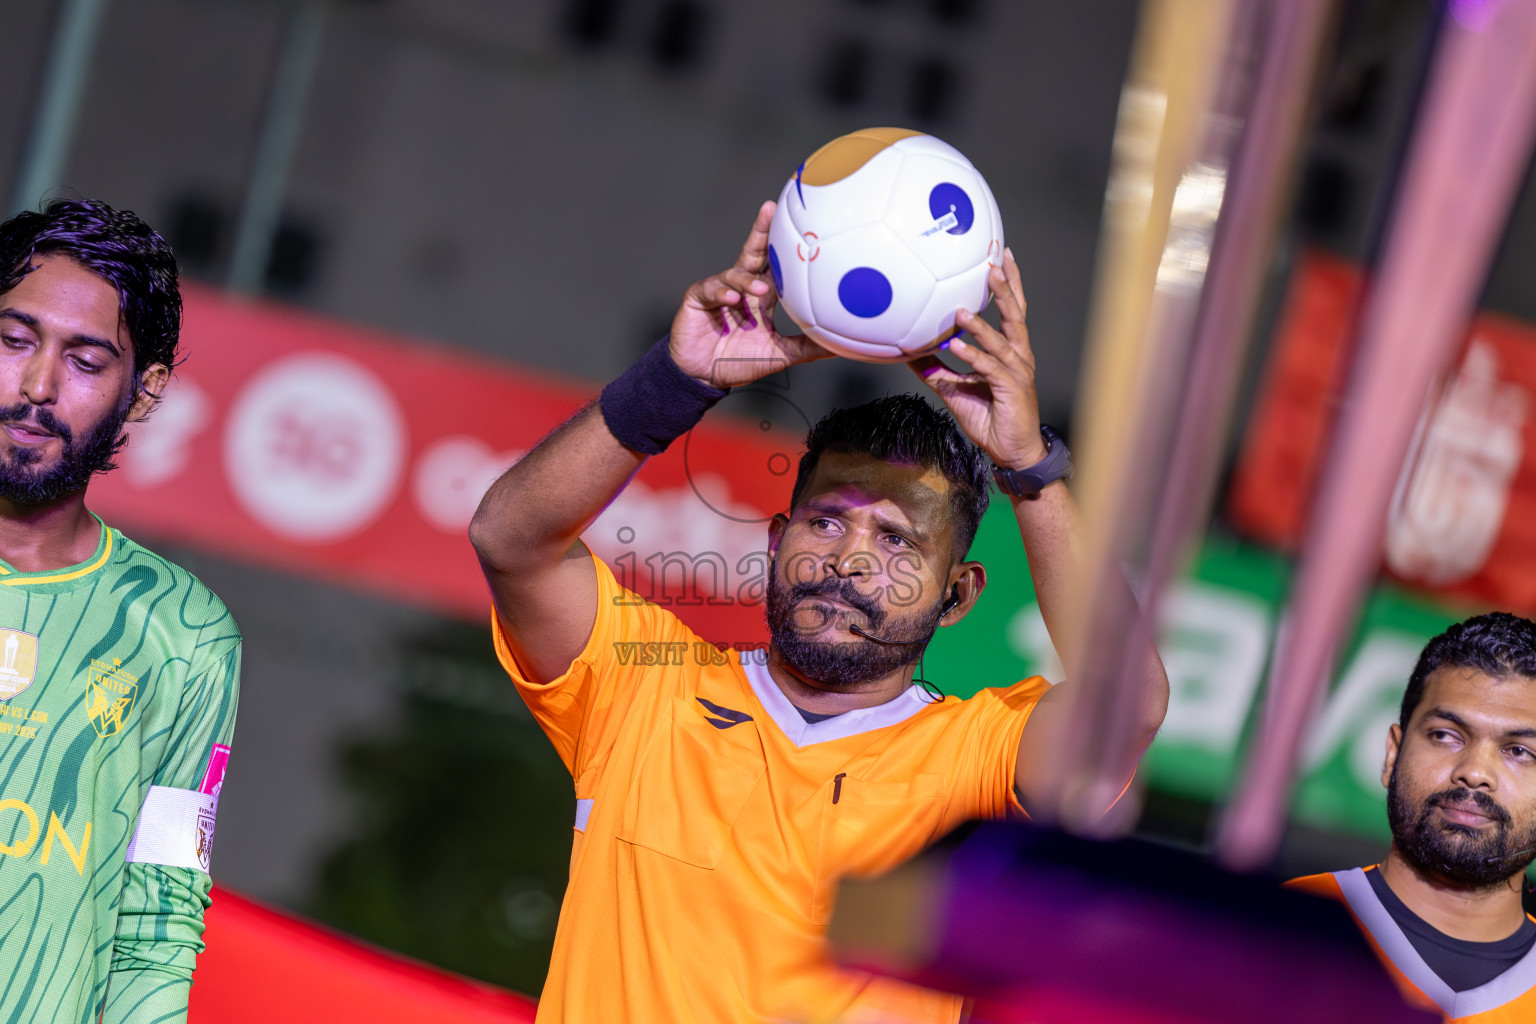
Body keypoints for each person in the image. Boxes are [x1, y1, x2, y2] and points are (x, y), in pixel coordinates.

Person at [470, 202, 1169, 1023]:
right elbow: (509, 537)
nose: (850, 560)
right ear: (776, 540)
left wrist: (1030, 470)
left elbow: (1128, 702)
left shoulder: (980, 765)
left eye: (901, 544)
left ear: (958, 596)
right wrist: (674, 380)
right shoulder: (641, 691)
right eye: (827, 521)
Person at [0, 200, 241, 1023]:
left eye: (86, 360)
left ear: (143, 394)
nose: (35, 386)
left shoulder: (183, 636)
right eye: (14, 340)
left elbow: (162, 915)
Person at [1288, 612, 1536, 1023]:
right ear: (1392, 755)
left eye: (1520, 752)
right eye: (1445, 735)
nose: (1474, 772)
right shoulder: (1278, 928)